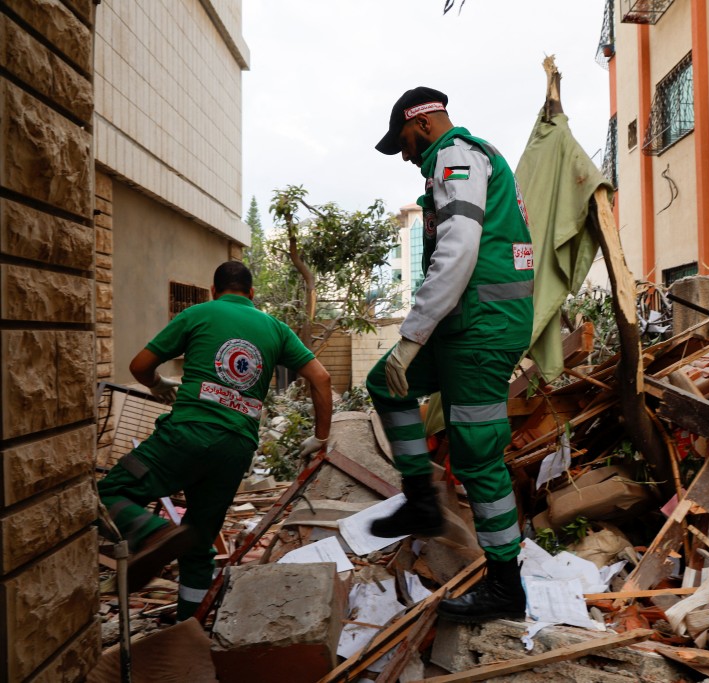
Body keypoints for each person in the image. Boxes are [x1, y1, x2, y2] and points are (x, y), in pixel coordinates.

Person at [368, 87, 534, 623]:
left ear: (422, 123)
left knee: (476, 455)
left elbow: (460, 249)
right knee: (384, 382)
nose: (406, 155)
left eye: (404, 143)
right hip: (467, 324)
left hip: (481, 330)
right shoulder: (465, 160)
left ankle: (505, 587)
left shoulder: (456, 156)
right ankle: (420, 497)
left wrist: (413, 336)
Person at [97, 261, 332, 620]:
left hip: (186, 435)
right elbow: (322, 378)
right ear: (251, 294)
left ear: (213, 290)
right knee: (199, 540)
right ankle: (188, 622)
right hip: (235, 450)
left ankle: (154, 533)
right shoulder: (276, 328)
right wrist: (320, 437)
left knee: (108, 492)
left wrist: (157, 385)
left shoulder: (198, 313)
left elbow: (139, 365)